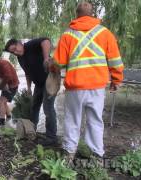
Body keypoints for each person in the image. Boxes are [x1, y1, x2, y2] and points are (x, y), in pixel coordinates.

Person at [52, 2, 124, 161]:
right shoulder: (105, 33)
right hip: (97, 87)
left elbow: (58, 63)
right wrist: (116, 80)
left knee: (72, 120)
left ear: (76, 14)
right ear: (92, 14)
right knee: (95, 120)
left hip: (75, 87)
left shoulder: (67, 35)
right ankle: (97, 155)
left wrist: (51, 69)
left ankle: (69, 153)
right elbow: (115, 61)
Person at [4, 38, 58, 146]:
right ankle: (32, 131)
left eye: (15, 49)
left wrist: (46, 58)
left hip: (51, 78)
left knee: (48, 108)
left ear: (19, 43)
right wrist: (28, 88)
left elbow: (46, 41)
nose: (15, 52)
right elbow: (27, 73)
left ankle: (52, 137)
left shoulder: (30, 45)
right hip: (39, 84)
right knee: (34, 106)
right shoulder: (20, 58)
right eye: (12, 52)